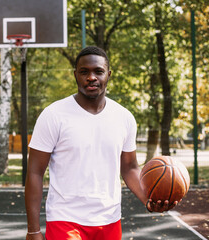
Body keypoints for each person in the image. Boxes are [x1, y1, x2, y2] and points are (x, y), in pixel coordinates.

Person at [24, 46, 178, 240]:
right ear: (75, 75)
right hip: (65, 219)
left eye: (98, 71)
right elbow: (35, 172)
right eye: (84, 72)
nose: (91, 77)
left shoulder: (124, 117)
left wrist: (148, 198)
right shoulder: (53, 115)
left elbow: (130, 168)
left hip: (109, 220)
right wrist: (33, 230)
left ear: (108, 75)